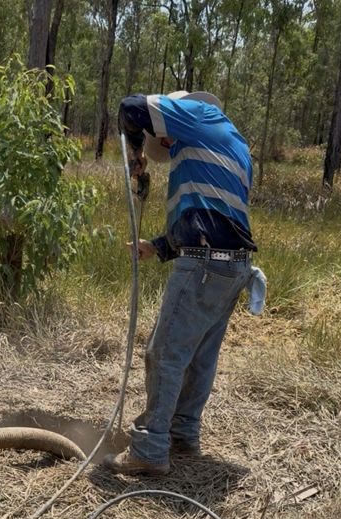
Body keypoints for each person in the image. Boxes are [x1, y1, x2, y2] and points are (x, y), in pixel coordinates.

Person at [103, 91, 258, 476]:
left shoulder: (200, 115)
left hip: (206, 266)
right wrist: (156, 247)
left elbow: (129, 108)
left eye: (164, 137)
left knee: (165, 353)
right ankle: (183, 435)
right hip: (232, 267)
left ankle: (151, 447)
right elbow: (208, 220)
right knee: (200, 358)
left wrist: (136, 154)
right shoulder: (232, 144)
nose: (167, 146)